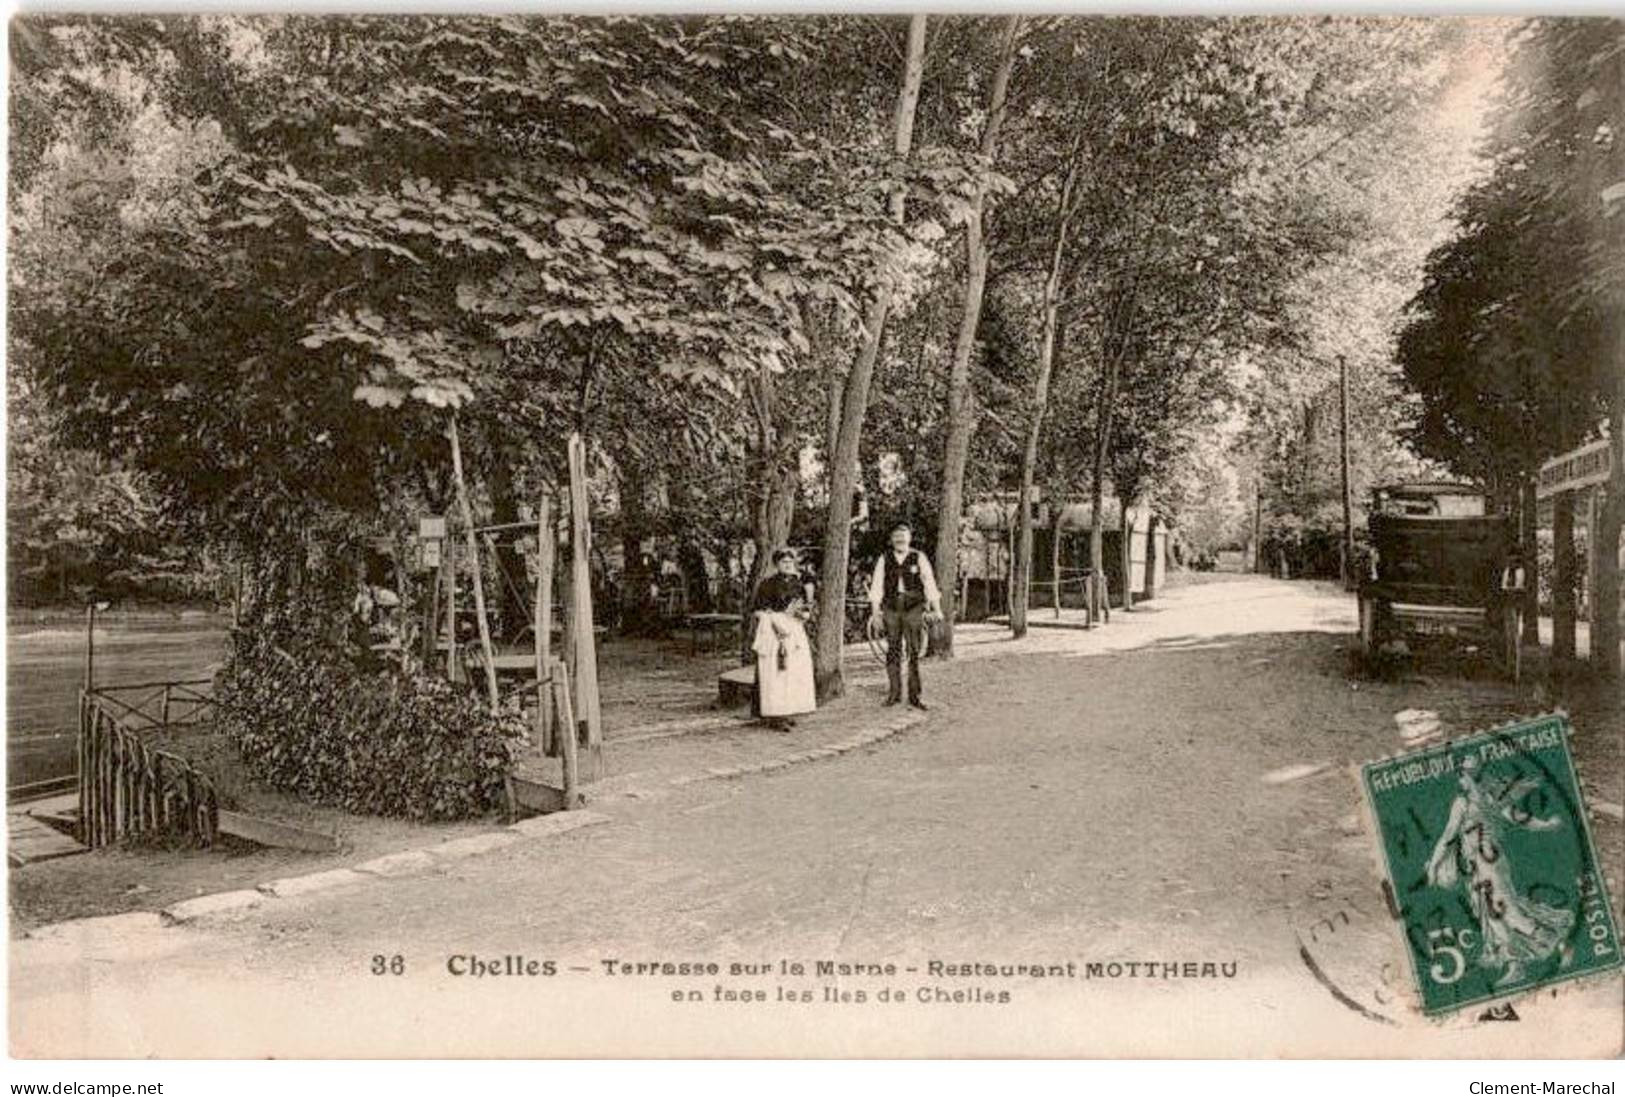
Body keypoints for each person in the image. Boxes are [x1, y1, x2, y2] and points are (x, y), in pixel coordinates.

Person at [1425, 753, 1576, 988]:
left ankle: (1561, 945)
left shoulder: (1465, 803)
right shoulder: (1489, 798)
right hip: (1482, 865)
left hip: (1488, 863)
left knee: (1509, 912)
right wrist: (1545, 825)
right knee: (1494, 917)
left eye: (1468, 773)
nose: (1464, 778)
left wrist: (1434, 865)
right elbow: (1520, 818)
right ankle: (1515, 964)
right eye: (1465, 772)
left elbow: (1448, 837)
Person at [867, 523, 942, 710]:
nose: (900, 539)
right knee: (892, 650)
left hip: (914, 608)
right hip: (891, 608)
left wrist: (937, 609)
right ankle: (894, 693)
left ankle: (915, 696)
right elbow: (876, 587)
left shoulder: (919, 557)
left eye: (903, 535)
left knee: (914, 651)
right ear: (891, 539)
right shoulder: (884, 559)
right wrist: (875, 613)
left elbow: (929, 583)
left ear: (910, 537)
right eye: (896, 536)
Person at [750, 548, 816, 730]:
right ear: (777, 564)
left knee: (793, 672)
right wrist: (775, 617)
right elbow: (758, 610)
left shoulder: (798, 583)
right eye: (783, 562)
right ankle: (775, 715)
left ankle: (788, 710)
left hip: (794, 630)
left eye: (790, 562)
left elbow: (806, 608)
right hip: (775, 632)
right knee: (776, 673)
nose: (787, 565)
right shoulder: (768, 584)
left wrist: (803, 614)